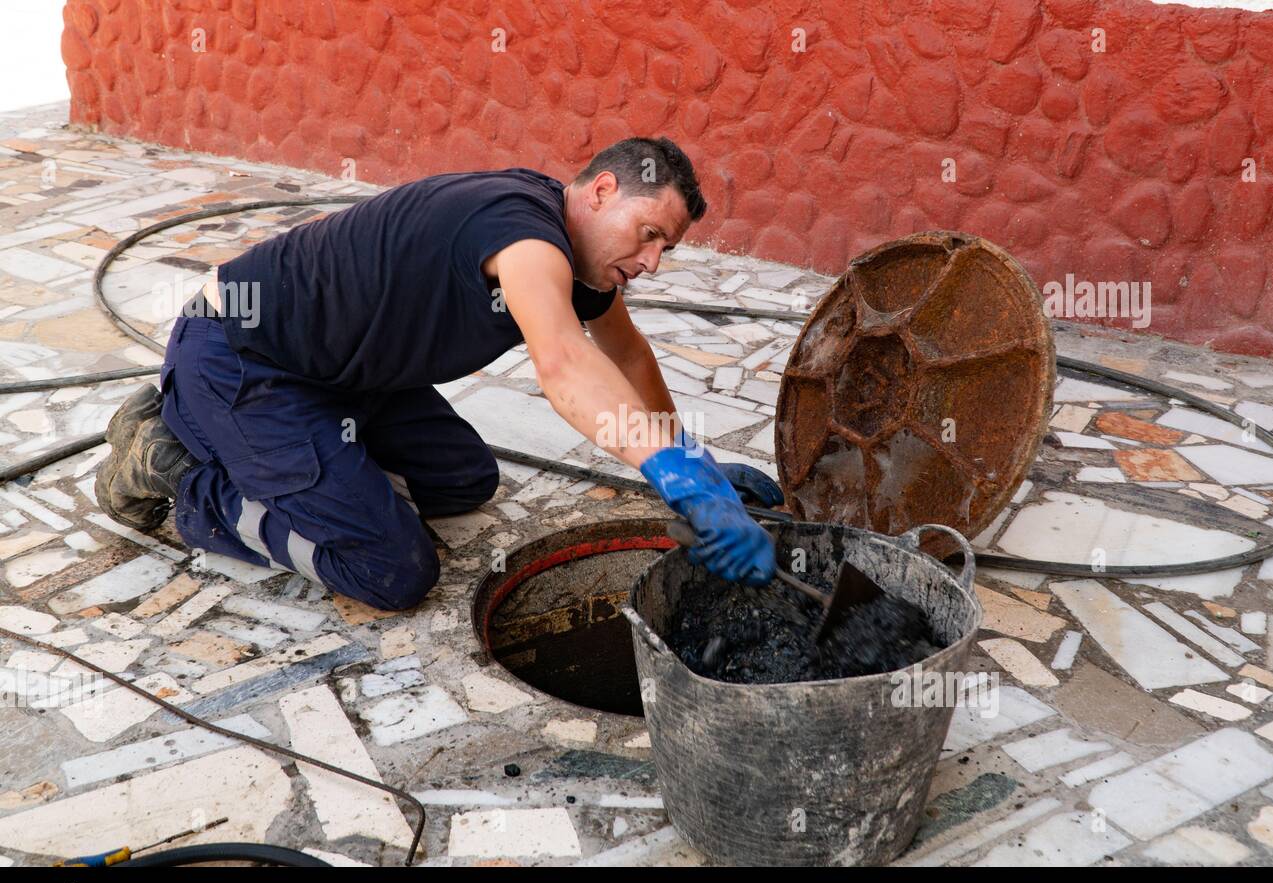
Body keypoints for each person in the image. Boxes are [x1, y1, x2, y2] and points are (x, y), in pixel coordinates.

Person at [96, 137, 779, 610]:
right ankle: (178, 470)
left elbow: (627, 357)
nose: (654, 261)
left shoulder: (584, 266)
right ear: (602, 190)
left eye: (669, 248)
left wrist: (697, 463)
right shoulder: (523, 233)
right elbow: (566, 364)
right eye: (651, 235)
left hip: (344, 379)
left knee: (465, 481)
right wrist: (677, 478)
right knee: (391, 569)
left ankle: (302, 462)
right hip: (241, 355)